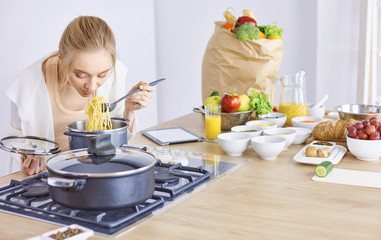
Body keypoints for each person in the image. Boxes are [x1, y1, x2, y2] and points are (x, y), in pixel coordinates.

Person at [5, 16, 154, 175]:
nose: (91, 86)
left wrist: (128, 111)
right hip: (48, 177)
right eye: (80, 75)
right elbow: (15, 139)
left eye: (102, 75)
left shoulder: (116, 72)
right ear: (61, 59)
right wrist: (28, 154)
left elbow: (119, 142)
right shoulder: (27, 86)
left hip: (99, 172)